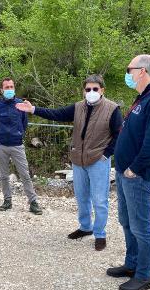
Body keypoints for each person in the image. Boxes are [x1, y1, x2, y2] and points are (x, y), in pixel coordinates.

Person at [16, 75, 123, 251]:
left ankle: (100, 234)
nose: (91, 92)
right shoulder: (78, 107)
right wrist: (33, 109)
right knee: (82, 197)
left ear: (102, 90)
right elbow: (56, 114)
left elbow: (119, 134)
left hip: (98, 160)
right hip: (78, 160)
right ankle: (85, 227)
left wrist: (107, 154)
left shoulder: (112, 109)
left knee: (99, 200)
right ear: (83, 91)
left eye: (95, 89)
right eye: (88, 89)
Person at [106, 54, 150, 290]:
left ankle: (144, 275)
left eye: (129, 69)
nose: (128, 74)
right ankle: (132, 264)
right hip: (126, 173)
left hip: (139, 176)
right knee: (126, 221)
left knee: (141, 226)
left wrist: (134, 168)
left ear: (142, 71)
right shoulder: (142, 98)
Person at [0, 77, 42, 215]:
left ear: (14, 88)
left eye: (11, 87)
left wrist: (18, 134)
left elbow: (24, 124)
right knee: (4, 175)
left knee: (25, 174)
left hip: (17, 145)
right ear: (1, 90)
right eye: (6, 87)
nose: (9, 89)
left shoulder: (20, 104)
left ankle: (33, 202)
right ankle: (7, 201)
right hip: (1, 145)